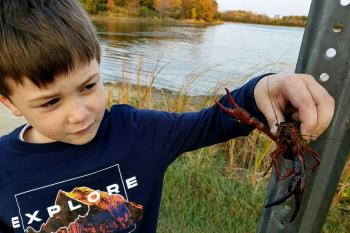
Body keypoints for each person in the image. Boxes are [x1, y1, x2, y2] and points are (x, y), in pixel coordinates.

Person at [0, 1, 335, 233]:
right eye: (50, 102)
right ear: (11, 103)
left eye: (88, 86)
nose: (78, 114)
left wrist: (263, 90)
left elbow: (211, 123)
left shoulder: (140, 133)